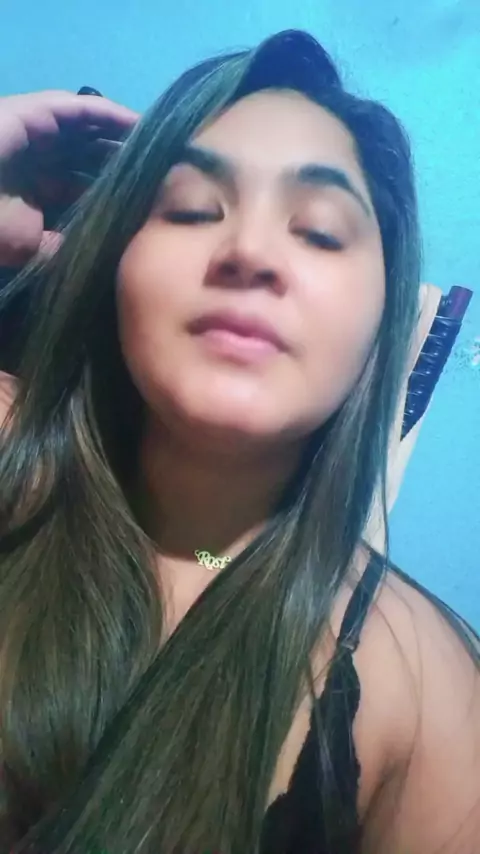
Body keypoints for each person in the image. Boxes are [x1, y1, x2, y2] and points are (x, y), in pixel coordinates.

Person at [0, 29, 478, 854]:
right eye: (191, 209)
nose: (249, 252)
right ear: (114, 262)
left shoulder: (427, 691)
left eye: (320, 231)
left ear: (382, 324)